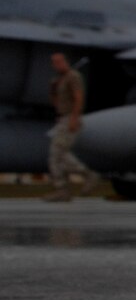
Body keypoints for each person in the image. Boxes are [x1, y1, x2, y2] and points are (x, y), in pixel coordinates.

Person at [42, 51, 99, 202]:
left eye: (60, 61)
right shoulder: (59, 80)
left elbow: (79, 97)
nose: (57, 64)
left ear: (65, 61)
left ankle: (86, 175)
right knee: (57, 156)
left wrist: (74, 118)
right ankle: (64, 190)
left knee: (57, 154)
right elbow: (56, 102)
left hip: (70, 118)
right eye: (54, 62)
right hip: (62, 119)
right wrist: (53, 90)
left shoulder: (73, 76)